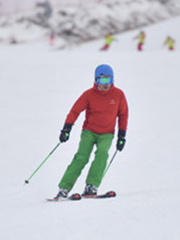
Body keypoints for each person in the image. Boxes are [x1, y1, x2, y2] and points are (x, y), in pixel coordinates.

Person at [55, 64, 129, 199]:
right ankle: (64, 188)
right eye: (102, 80)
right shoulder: (88, 95)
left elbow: (123, 115)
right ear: (96, 80)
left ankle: (91, 186)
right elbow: (75, 111)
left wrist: (122, 136)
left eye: (109, 80)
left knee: (102, 155)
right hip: (89, 132)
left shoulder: (118, 95)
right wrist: (67, 128)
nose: (106, 84)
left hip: (107, 134)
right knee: (81, 157)